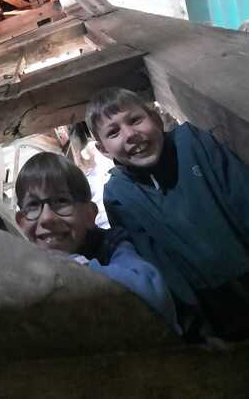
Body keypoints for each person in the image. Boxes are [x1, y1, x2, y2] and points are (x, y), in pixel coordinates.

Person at [86, 86, 249, 341]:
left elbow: (241, 193)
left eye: (135, 120)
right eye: (113, 132)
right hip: (214, 309)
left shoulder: (192, 143)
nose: (130, 134)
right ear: (103, 149)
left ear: (156, 118)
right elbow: (156, 264)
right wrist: (194, 325)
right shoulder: (119, 195)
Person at [14, 152, 178, 332]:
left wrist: (76, 266)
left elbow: (155, 296)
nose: (47, 218)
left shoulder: (109, 245)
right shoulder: (20, 265)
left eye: (61, 201)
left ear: (90, 214)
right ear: (21, 222)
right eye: (33, 205)